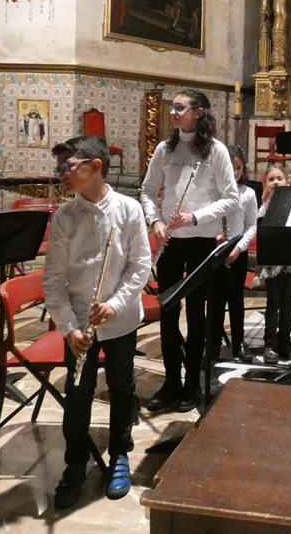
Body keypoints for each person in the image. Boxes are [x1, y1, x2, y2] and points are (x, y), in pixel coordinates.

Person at [43, 136, 152, 510]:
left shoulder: (128, 209)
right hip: (79, 324)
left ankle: (120, 453)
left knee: (122, 386)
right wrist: (68, 328)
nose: (61, 174)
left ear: (95, 167)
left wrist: (115, 305)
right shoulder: (65, 217)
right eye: (59, 167)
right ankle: (75, 464)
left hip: (120, 320)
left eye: (67, 166)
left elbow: (140, 266)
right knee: (77, 394)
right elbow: (53, 281)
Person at [140, 89, 238, 414]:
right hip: (170, 240)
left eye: (180, 108)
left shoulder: (216, 150)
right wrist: (155, 220)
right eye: (173, 107)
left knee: (197, 314)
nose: (173, 112)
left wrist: (195, 217)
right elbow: (148, 190)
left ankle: (192, 381)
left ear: (198, 112)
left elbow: (230, 198)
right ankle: (171, 381)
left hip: (201, 240)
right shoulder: (165, 149)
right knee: (168, 312)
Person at [212, 145, 259, 363]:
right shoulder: (213, 192)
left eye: (239, 168)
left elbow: (252, 225)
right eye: (230, 168)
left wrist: (239, 247)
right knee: (215, 301)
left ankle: (238, 343)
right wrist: (215, 239)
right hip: (215, 252)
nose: (235, 172)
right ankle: (213, 344)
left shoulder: (248, 194)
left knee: (236, 300)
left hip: (237, 252)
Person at [255, 163, 291, 364]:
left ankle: (285, 341)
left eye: (279, 178)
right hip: (272, 263)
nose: (275, 182)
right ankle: (270, 343)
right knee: (273, 303)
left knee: (288, 302)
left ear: (287, 181)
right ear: (265, 184)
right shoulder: (264, 209)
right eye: (271, 179)